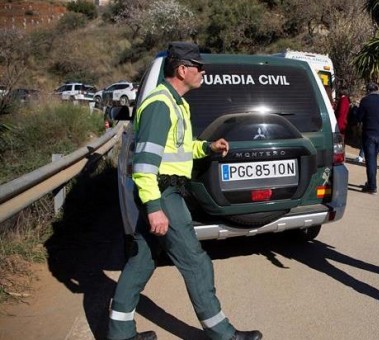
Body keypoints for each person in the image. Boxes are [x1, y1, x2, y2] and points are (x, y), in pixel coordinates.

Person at [107, 42, 262, 340]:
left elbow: (178, 149)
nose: (203, 71)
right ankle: (223, 334)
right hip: (163, 194)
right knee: (196, 262)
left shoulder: (177, 104)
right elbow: (144, 163)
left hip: (165, 192)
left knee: (142, 261)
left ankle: (119, 333)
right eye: (198, 66)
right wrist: (154, 207)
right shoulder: (159, 105)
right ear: (182, 69)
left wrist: (207, 147)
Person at [356, 82, 379, 194]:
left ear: (368, 90)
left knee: (370, 161)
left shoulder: (365, 101)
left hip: (369, 134)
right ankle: (371, 182)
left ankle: (372, 186)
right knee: (373, 160)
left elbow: (359, 117)